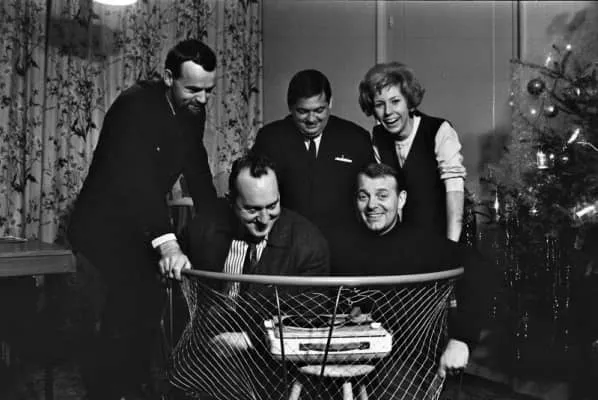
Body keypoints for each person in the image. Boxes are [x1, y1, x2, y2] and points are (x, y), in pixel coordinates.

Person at [67, 39, 218, 400]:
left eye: (208, 91)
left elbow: (196, 166)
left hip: (139, 225)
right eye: (193, 89)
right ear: (168, 77)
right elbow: (138, 182)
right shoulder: (133, 107)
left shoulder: (193, 109)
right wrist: (167, 243)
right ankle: (109, 391)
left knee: (148, 304)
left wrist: (217, 219)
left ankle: (133, 383)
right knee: (127, 302)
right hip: (100, 226)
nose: (202, 99)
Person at [168, 152, 330, 399]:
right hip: (208, 351)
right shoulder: (204, 227)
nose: (264, 220)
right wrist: (174, 254)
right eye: (252, 209)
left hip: (273, 364)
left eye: (272, 206)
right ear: (231, 200)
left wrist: (249, 339)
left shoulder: (309, 243)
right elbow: (172, 262)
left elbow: (313, 312)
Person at [328, 163, 493, 390]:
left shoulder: (423, 245)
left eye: (382, 195)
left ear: (401, 199)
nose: (372, 205)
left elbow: (480, 268)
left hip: (405, 368)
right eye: (363, 196)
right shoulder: (342, 247)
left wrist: (462, 340)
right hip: (346, 360)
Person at [252, 69, 375, 240]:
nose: (311, 119)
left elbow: (371, 193)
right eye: (302, 111)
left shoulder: (356, 138)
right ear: (290, 107)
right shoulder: (270, 138)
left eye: (319, 110)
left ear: (330, 103)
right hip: (286, 242)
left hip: (344, 243)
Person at [358, 62, 466, 242]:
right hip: (404, 242)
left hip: (442, 238)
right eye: (379, 104)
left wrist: (451, 246)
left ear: (408, 101)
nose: (388, 112)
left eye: (395, 101)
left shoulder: (439, 130)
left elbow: (454, 192)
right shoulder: (378, 137)